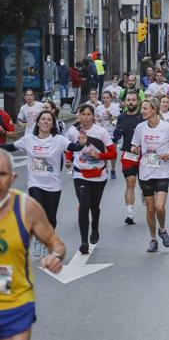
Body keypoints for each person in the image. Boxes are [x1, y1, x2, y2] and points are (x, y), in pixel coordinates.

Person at [0, 150, 66, 340]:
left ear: (13, 178)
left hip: (16, 303)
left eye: (2, 174)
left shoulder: (26, 207)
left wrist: (56, 256)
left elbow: (56, 243)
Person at [0, 111, 81, 257]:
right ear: (38, 123)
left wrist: (82, 142)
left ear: (52, 124)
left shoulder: (58, 140)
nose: (45, 122)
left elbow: (75, 148)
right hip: (35, 183)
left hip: (53, 184)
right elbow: (12, 147)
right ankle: (37, 240)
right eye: (43, 119)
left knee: (50, 218)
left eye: (49, 120)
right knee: (38, 212)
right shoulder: (29, 139)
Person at [131, 98, 169, 252]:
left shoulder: (167, 127)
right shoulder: (140, 127)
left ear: (154, 110)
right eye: (142, 108)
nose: (142, 111)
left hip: (162, 172)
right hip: (145, 171)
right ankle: (153, 239)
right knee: (150, 209)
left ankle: (162, 229)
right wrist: (135, 149)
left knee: (159, 207)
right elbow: (135, 145)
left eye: (145, 108)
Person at [65, 104, 117, 254]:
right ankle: (84, 242)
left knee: (94, 206)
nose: (86, 117)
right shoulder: (72, 131)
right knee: (84, 204)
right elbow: (69, 148)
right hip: (80, 174)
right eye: (83, 114)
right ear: (79, 116)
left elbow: (113, 154)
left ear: (93, 116)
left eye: (89, 114)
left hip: (98, 175)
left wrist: (99, 155)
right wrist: (68, 159)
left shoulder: (101, 132)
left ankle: (95, 227)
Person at [112, 92, 144, 225]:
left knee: (146, 183)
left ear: (138, 102)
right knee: (130, 182)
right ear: (125, 102)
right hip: (128, 154)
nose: (131, 102)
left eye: (133, 100)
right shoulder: (121, 117)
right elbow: (116, 136)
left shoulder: (143, 117)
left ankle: (144, 191)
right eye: (128, 100)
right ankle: (130, 213)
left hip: (145, 155)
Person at [95, 91, 121, 179]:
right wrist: (98, 119)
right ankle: (105, 168)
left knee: (113, 153)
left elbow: (117, 121)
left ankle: (113, 169)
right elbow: (97, 119)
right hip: (103, 133)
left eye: (107, 98)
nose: (106, 99)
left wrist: (110, 115)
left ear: (111, 98)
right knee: (105, 152)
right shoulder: (99, 108)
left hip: (113, 132)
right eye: (104, 98)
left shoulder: (115, 107)